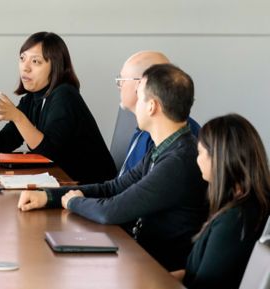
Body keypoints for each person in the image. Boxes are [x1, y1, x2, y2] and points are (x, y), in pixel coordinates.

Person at [18, 64, 208, 271]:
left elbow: (112, 210)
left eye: (139, 96)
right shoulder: (164, 147)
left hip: (157, 271)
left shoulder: (178, 160)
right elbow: (113, 188)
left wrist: (73, 202)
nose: (135, 103)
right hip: (140, 258)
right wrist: (49, 197)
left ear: (152, 106)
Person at [0, 32, 116, 184]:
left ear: (55, 67)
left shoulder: (65, 95)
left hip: (93, 189)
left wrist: (18, 117)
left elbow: (47, 153)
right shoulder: (32, 98)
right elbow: (4, 144)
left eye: (35, 61)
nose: (25, 67)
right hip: (63, 183)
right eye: (22, 58)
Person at [171, 114, 270, 289]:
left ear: (219, 157)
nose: (197, 160)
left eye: (200, 153)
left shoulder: (234, 221)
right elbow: (196, 275)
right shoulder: (246, 207)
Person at [115, 51, 201, 176]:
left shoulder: (171, 137)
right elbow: (123, 184)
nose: (119, 86)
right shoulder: (145, 128)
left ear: (142, 83)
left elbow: (139, 192)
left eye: (122, 79)